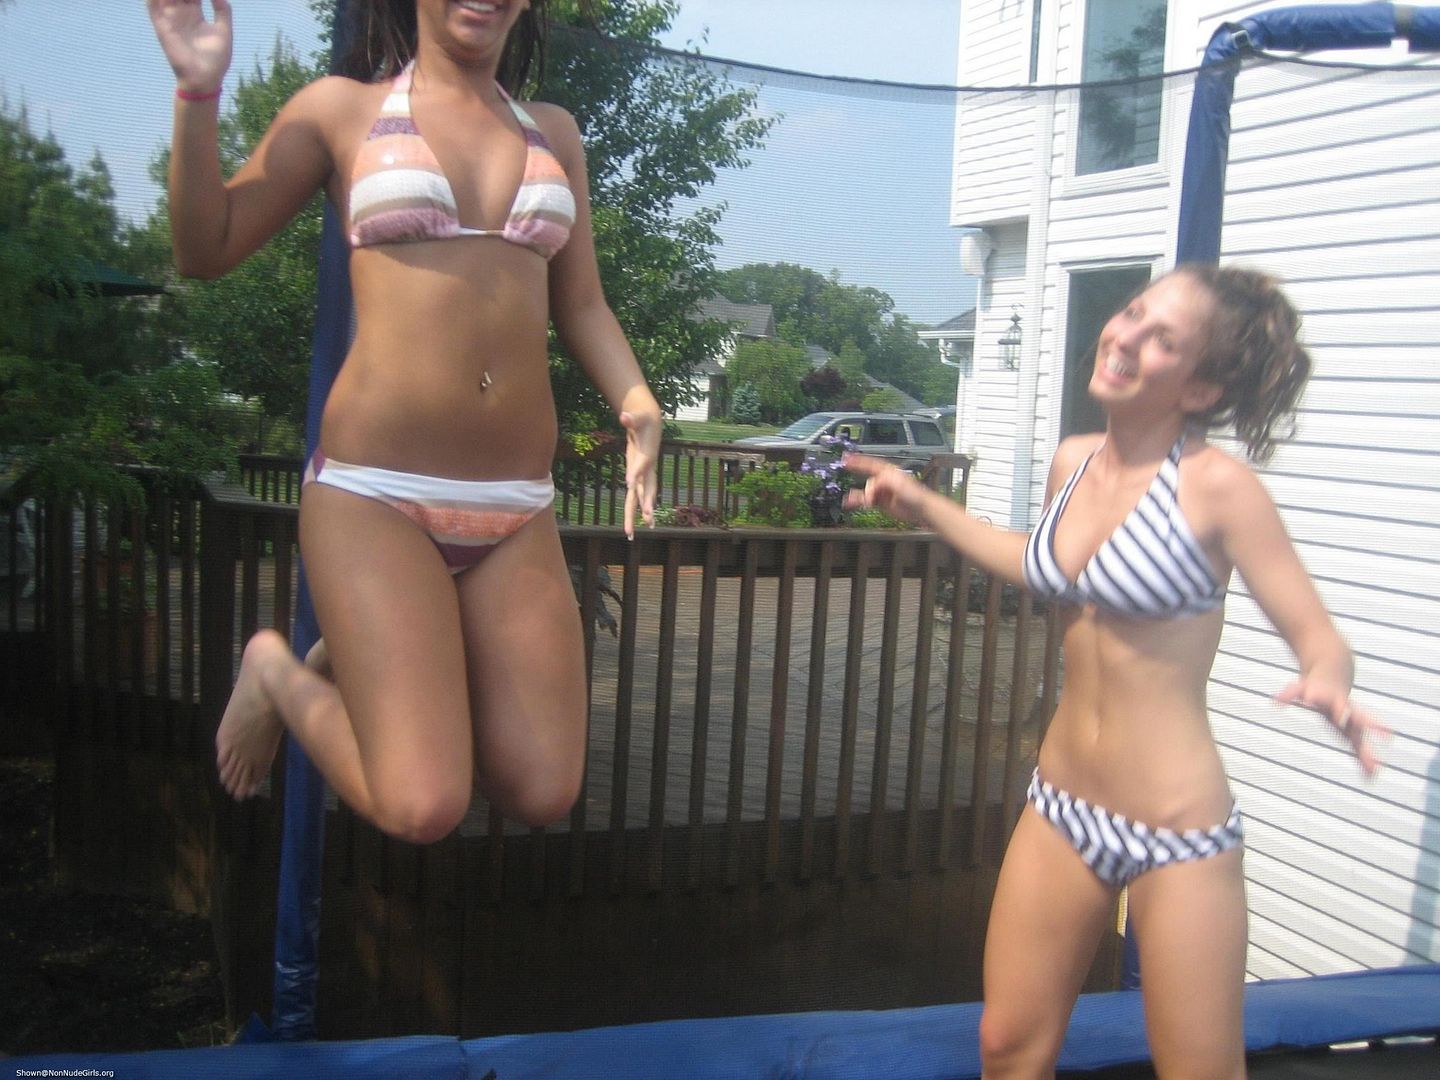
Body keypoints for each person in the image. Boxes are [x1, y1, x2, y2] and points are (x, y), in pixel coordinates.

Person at [843, 264, 1385, 1079]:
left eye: (1162, 339)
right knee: (1007, 1047)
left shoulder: (1218, 488)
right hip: (1061, 806)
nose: (1125, 336)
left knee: (1198, 1069)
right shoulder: (1074, 460)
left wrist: (1327, 680)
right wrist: (925, 506)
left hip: (1177, 831)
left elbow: (1318, 635)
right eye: (1133, 314)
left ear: (1200, 388)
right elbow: (1041, 563)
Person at [147, 0, 662, 844]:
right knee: (423, 803)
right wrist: (197, 95)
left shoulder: (554, 134)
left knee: (542, 789)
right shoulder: (340, 111)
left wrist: (637, 400)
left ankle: (353, 647)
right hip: (375, 495)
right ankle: (277, 672)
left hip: (515, 507)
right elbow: (205, 248)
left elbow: (582, 304)